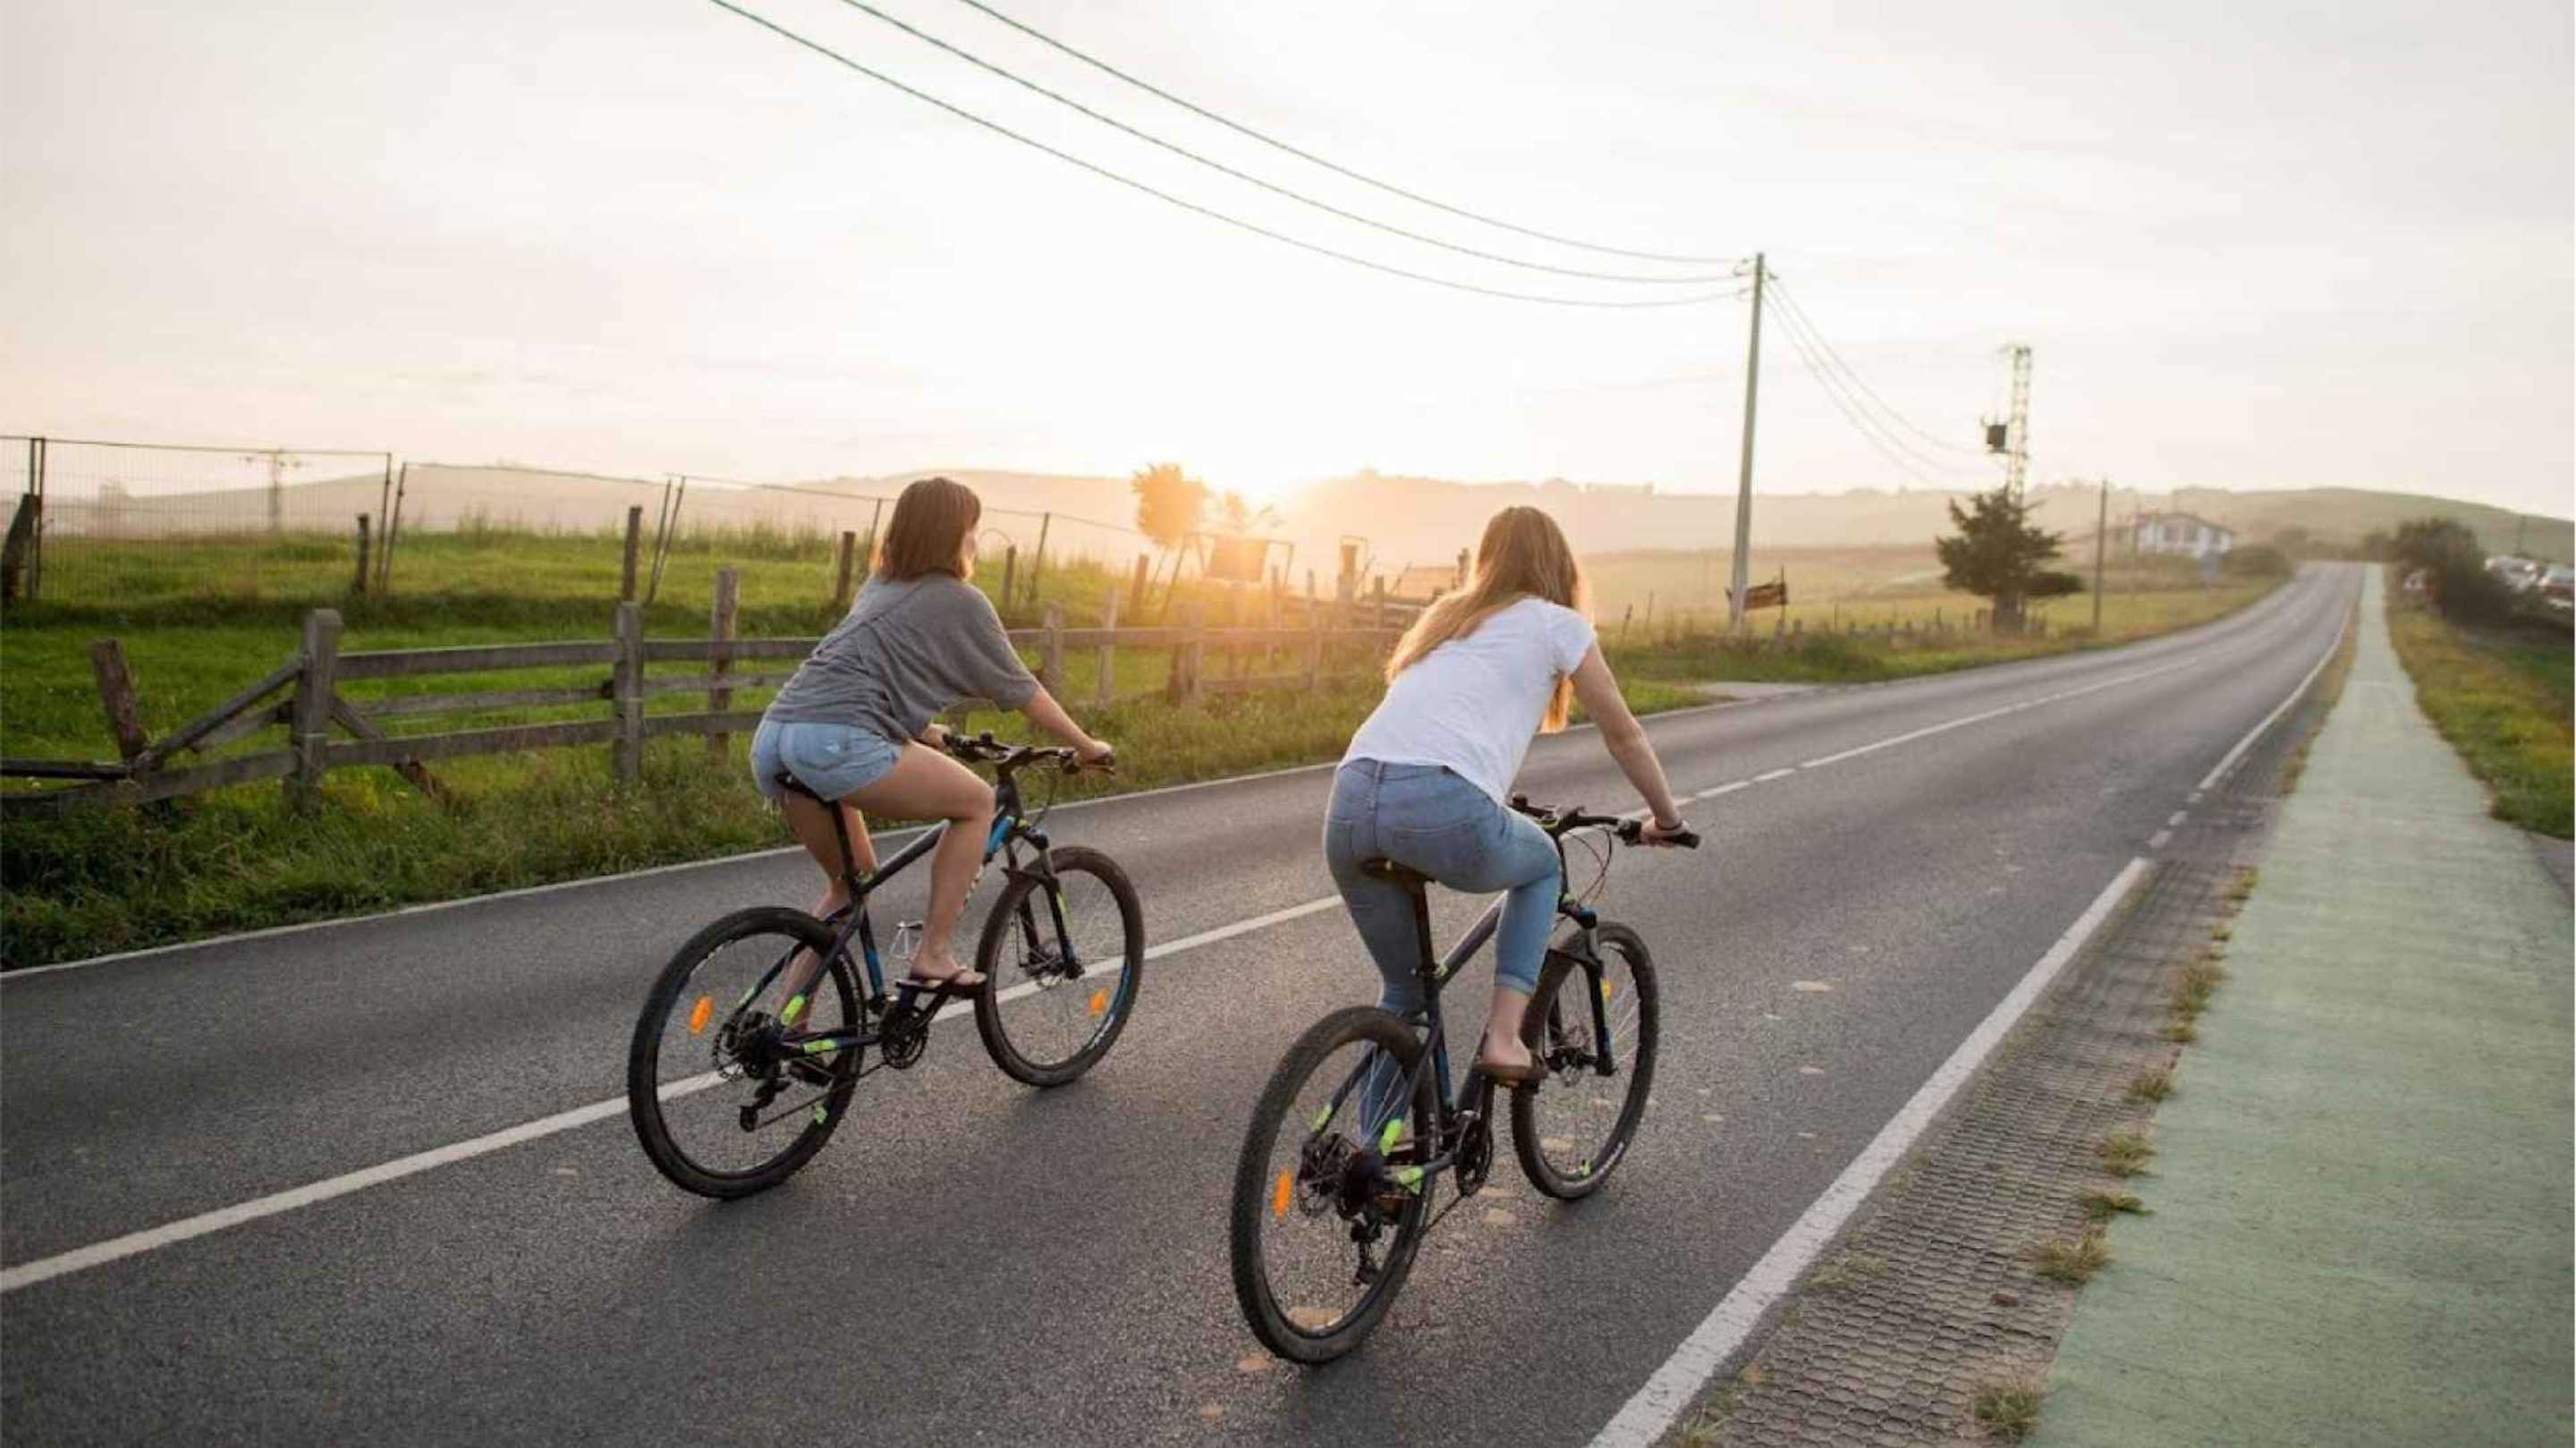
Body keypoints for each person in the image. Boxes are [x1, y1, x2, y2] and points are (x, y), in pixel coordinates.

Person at [1326, 506, 1687, 1081]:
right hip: (1441, 801)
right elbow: (1623, 734)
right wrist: (1666, 819)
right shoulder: (1558, 624)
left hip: (1349, 800)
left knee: (1404, 997)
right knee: (1542, 864)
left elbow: (1441, 716)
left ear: (1487, 558)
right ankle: (1503, 1039)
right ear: (1559, 564)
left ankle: (1377, 1136)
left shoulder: (1448, 617)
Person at [751, 476, 1114, 994]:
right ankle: (934, 954)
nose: (975, 540)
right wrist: (1087, 746)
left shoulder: (879, 586)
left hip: (777, 735)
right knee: (976, 802)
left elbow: (870, 671)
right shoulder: (962, 600)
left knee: (851, 884)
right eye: (972, 528)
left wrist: (926, 732)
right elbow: (1022, 689)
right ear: (953, 535)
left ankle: (789, 1024)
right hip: (838, 740)